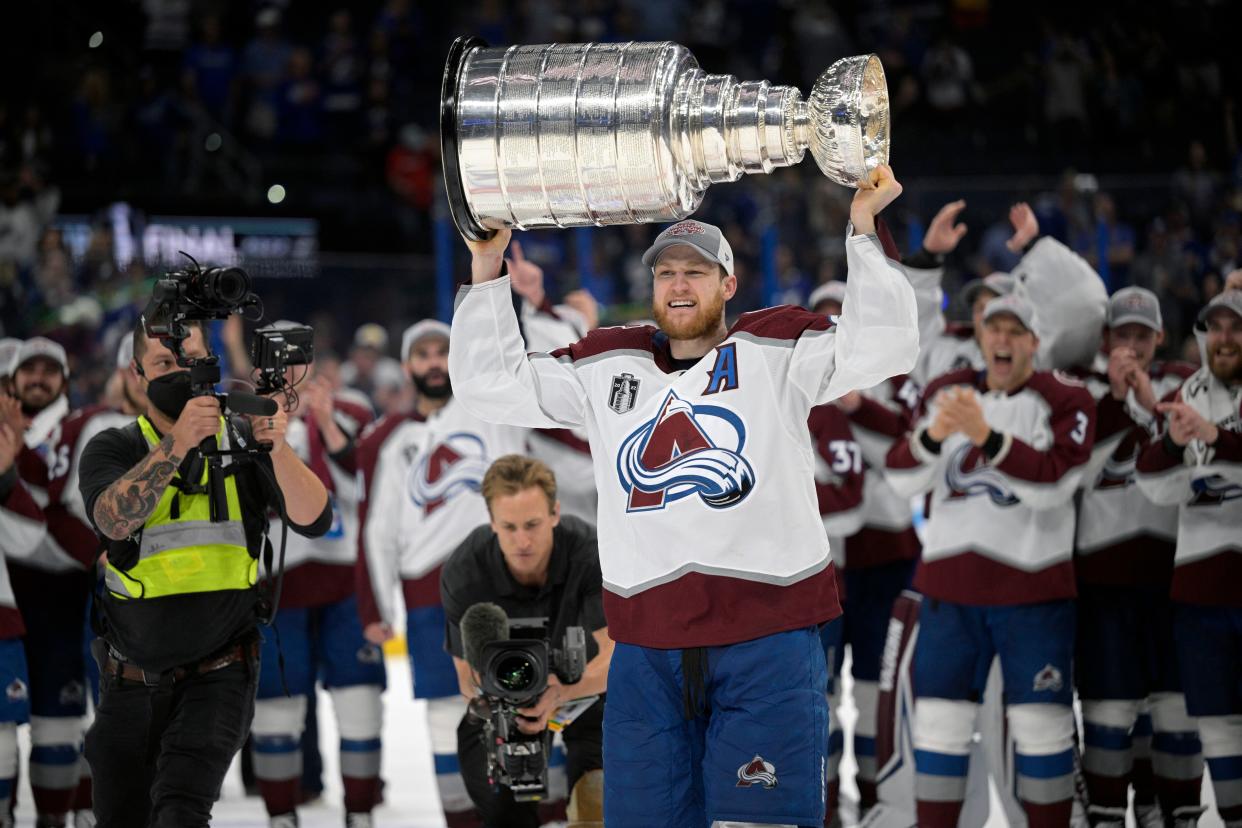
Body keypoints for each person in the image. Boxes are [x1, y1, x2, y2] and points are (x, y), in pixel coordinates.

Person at [451, 164, 919, 827]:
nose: (678, 284)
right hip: (648, 651)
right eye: (666, 272)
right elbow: (485, 386)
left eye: (695, 272)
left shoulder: (775, 349)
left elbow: (888, 346)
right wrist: (487, 264)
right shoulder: (605, 364)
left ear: (728, 284)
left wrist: (865, 231)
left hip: (767, 642)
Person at [77, 317, 331, 827]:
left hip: (221, 672)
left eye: (192, 360)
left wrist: (276, 447)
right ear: (135, 374)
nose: (181, 373)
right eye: (164, 363)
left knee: (179, 808)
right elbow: (111, 520)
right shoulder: (113, 446)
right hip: (130, 678)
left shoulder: (242, 443)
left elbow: (314, 519)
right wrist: (177, 445)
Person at [885, 293, 1096, 827]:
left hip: (1034, 597)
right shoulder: (945, 393)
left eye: (1014, 331)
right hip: (948, 596)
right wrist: (935, 435)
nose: (1002, 340)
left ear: (1034, 342)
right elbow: (900, 478)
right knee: (938, 730)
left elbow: (1056, 482)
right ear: (981, 337)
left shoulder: (1066, 398)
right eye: (993, 329)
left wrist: (987, 437)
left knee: (1043, 731)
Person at [354, 320, 529, 827]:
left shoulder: (494, 412)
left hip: (505, 584)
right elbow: (378, 531)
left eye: (441, 352)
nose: (433, 362)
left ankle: (541, 816)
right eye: (423, 353)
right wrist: (377, 608)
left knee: (523, 703)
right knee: (443, 716)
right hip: (428, 595)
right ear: (408, 366)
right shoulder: (389, 440)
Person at [1075, 287, 1205, 826]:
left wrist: (1147, 402)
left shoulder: (1187, 387)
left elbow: (1196, 451)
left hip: (1175, 579)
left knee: (1176, 712)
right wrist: (1115, 398)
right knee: (1109, 713)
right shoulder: (1081, 391)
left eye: (1141, 336)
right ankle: (1107, 814)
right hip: (1102, 584)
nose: (1131, 346)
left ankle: (1176, 814)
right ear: (1105, 340)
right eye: (1121, 335)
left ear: (1160, 339)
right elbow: (1072, 466)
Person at [244, 334, 385, 828]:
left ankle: (361, 812)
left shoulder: (350, 407)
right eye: (277, 364)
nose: (288, 373)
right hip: (277, 582)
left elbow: (372, 483)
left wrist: (326, 424)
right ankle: (281, 815)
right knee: (277, 707)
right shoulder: (247, 416)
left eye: (297, 361)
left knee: (360, 701)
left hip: (345, 577)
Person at [441, 455, 611, 828]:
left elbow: (617, 656)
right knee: (503, 812)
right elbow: (466, 675)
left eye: (533, 524)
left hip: (587, 691)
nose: (522, 541)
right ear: (491, 522)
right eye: (509, 527)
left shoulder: (590, 554)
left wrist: (561, 693)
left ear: (555, 513)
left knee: (598, 801)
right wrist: (498, 704)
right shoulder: (466, 570)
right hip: (503, 702)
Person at [805, 280, 921, 825]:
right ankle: (827, 801)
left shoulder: (891, 377)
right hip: (831, 567)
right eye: (824, 321)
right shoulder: (805, 393)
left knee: (879, 685)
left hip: (889, 555)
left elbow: (910, 446)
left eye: (841, 320)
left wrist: (856, 406)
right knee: (819, 690)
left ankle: (878, 799)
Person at [4, 337, 131, 827]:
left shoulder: (84, 425)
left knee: (66, 717)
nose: (38, 378)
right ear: (12, 380)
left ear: (65, 378)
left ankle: (67, 813)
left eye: (48, 370)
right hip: (10, 590)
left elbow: (59, 507)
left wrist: (97, 553)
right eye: (28, 370)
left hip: (63, 593)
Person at [1136, 289, 1242, 828]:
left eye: (1237, 327)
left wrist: (1217, 441)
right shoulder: (1185, 395)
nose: (1225, 338)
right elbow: (1152, 486)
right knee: (1219, 724)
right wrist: (1177, 447)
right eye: (1215, 327)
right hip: (1200, 590)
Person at [903, 199, 1107, 386]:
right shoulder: (951, 355)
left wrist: (1035, 246)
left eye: (996, 308)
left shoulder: (1037, 356)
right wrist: (928, 256)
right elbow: (914, 340)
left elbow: (1089, 304)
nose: (985, 316)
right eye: (979, 308)